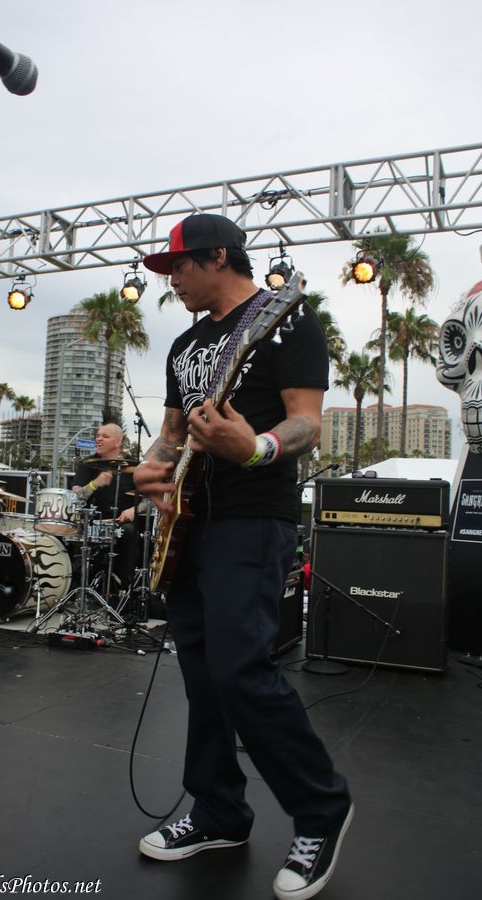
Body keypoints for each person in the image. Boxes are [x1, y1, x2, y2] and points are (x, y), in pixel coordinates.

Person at [133, 214, 353, 900]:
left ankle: (321, 808)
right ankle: (219, 811)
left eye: (180, 267)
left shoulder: (287, 321)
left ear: (219, 257)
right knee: (203, 674)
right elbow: (172, 434)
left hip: (253, 515)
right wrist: (151, 469)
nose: (173, 281)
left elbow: (308, 422)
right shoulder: (184, 344)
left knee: (240, 667)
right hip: (190, 521)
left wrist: (254, 447)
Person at [72, 423, 139, 592]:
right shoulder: (87, 464)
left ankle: (126, 589)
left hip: (123, 523)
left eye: (105, 436)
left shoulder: (133, 466)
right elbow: (76, 498)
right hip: (93, 522)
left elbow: (150, 497)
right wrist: (94, 484)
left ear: (118, 442)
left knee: (130, 531)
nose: (98, 439)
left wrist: (136, 510)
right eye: (98, 435)